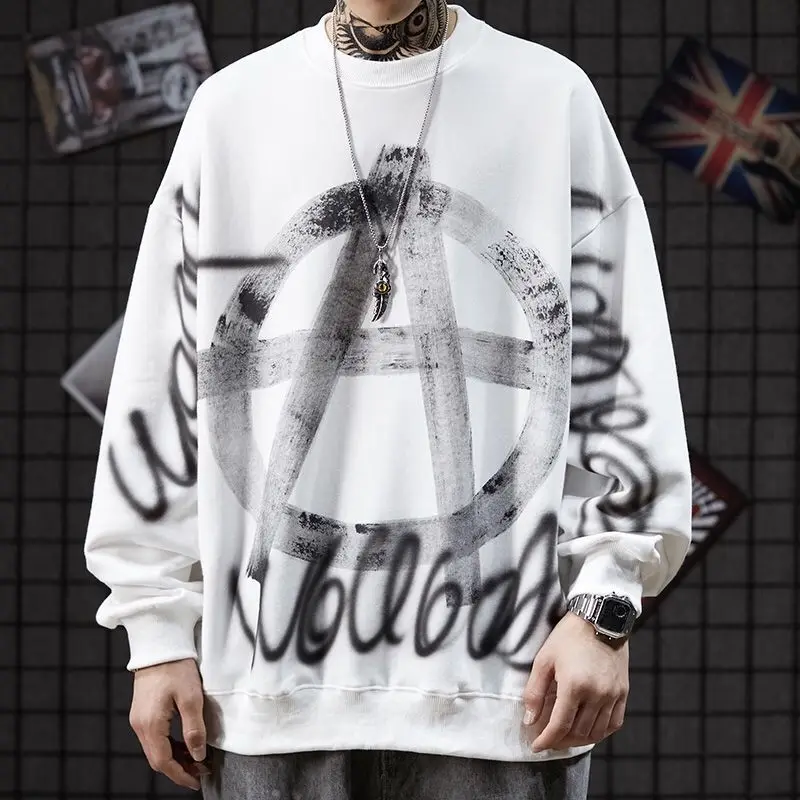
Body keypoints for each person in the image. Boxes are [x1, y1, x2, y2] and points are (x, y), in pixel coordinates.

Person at [83, 2, 693, 798]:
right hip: (269, 696)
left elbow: (620, 371)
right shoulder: (232, 109)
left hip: (503, 694)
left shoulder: (552, 99)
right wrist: (156, 628)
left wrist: (604, 605)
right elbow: (164, 378)